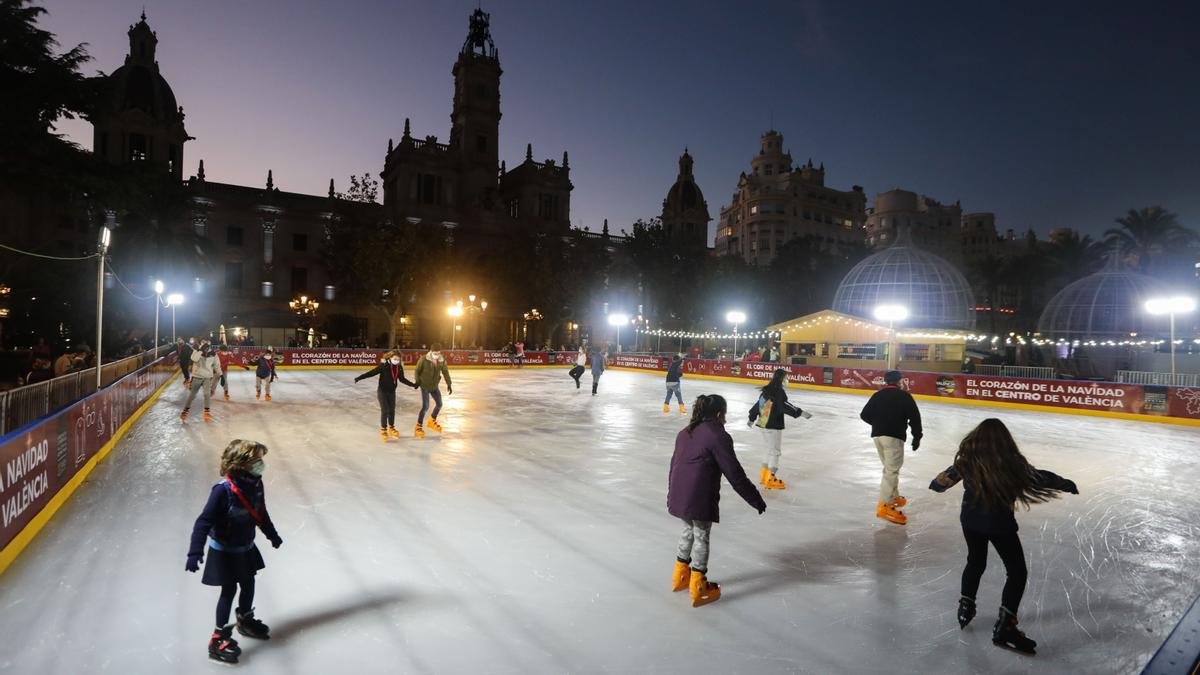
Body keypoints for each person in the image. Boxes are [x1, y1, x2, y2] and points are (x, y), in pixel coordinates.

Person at [929, 418, 1078, 655]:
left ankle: (966, 606)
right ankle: (1006, 628)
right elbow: (1040, 477)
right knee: (1017, 571)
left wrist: (938, 483)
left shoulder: (967, 462)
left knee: (975, 562)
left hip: (970, 522)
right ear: (1004, 441)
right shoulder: (1012, 464)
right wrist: (1065, 483)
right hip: (999, 524)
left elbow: (939, 485)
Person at [186, 439, 283, 665]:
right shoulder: (223, 490)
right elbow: (203, 522)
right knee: (228, 591)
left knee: (249, 583)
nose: (261, 464)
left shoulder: (256, 484)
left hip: (246, 546)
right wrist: (194, 552)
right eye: (257, 460)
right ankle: (218, 638)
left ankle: (245, 619)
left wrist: (272, 534)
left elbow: (261, 512)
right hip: (225, 551)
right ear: (242, 464)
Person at [667, 394, 766, 607]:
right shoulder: (717, 435)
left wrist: (671, 495)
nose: (726, 419)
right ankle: (698, 585)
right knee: (701, 535)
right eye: (726, 414)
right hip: (699, 495)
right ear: (720, 413)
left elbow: (673, 466)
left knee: (687, 531)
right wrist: (755, 499)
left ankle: (680, 576)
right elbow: (735, 474)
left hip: (680, 494)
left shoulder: (685, 432)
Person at [859, 370, 922, 525]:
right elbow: (915, 418)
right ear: (899, 381)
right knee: (891, 471)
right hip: (893, 437)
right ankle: (884, 505)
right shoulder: (904, 396)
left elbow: (864, 415)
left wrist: (879, 425)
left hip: (878, 436)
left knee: (889, 468)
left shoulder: (877, 395)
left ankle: (893, 497)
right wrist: (917, 437)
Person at [746, 367, 811, 490]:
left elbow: (758, 405)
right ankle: (771, 479)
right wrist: (801, 413)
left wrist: (751, 417)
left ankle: (764, 477)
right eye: (786, 377)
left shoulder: (767, 390)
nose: (787, 380)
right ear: (781, 378)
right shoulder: (778, 392)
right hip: (773, 426)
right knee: (775, 452)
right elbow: (785, 406)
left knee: (768, 450)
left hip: (763, 424)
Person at [355, 350, 417, 441]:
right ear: (390, 358)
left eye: (398, 359)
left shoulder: (399, 367)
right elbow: (372, 373)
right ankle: (383, 429)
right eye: (395, 359)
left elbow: (402, 379)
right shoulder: (384, 366)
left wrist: (413, 384)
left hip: (392, 392)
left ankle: (391, 427)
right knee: (385, 410)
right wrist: (360, 377)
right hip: (382, 391)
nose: (396, 361)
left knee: (392, 410)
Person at [413, 344, 452, 439]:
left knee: (439, 404)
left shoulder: (441, 360)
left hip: (434, 386)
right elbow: (417, 370)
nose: (437, 355)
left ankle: (432, 421)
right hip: (425, 385)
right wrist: (418, 381)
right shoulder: (424, 359)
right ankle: (418, 427)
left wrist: (449, 384)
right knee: (425, 406)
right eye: (435, 353)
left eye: (439, 353)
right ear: (431, 351)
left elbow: (445, 371)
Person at [183, 341, 222, 422]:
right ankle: (185, 411)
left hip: (207, 377)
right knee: (192, 395)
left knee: (207, 394)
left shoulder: (213, 353)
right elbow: (194, 359)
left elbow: (216, 365)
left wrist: (221, 375)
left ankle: (206, 412)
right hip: (197, 377)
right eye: (203, 345)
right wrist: (200, 350)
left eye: (207, 345)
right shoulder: (197, 351)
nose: (206, 347)